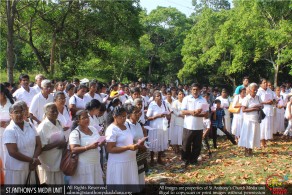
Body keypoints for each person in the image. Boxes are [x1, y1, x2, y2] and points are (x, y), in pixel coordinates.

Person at [3, 101, 42, 184]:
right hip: (16, 170)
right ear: (10, 115)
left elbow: (39, 144)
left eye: (21, 111)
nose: (19, 114)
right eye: (16, 112)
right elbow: (13, 152)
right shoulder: (10, 130)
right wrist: (32, 160)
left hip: (30, 167)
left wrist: (34, 160)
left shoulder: (30, 126)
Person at [105, 106, 139, 188]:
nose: (124, 118)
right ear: (115, 116)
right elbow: (110, 149)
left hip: (130, 160)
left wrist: (137, 143)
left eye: (125, 116)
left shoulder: (126, 125)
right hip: (119, 163)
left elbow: (128, 140)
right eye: (122, 116)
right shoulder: (112, 129)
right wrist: (128, 147)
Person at [69, 110, 104, 184]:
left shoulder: (93, 129)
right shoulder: (75, 133)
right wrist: (88, 147)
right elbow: (73, 149)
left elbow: (97, 142)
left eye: (87, 117)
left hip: (96, 163)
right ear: (78, 121)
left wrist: (101, 142)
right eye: (84, 118)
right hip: (84, 165)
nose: (87, 119)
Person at [37, 103, 67, 184]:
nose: (55, 113)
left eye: (56, 111)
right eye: (52, 111)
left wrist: (64, 143)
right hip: (48, 162)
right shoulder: (42, 127)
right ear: (46, 113)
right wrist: (57, 143)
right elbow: (41, 147)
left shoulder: (58, 123)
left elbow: (63, 137)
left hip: (59, 159)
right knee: (50, 185)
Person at [181, 83, 207, 167]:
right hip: (188, 125)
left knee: (197, 145)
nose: (195, 91)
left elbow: (206, 114)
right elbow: (183, 111)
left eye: (197, 89)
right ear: (191, 90)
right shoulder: (186, 99)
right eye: (193, 89)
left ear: (199, 90)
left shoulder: (203, 100)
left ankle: (193, 160)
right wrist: (192, 112)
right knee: (186, 144)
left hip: (199, 126)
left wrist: (198, 114)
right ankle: (185, 160)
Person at [124, 104, 147, 185]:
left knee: (139, 172)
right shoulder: (126, 125)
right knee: (132, 173)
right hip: (131, 153)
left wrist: (143, 143)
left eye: (138, 112)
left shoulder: (138, 124)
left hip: (139, 152)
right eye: (135, 112)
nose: (138, 114)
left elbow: (141, 136)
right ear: (129, 114)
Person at [146, 91, 171, 166]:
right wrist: (157, 116)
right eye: (157, 96)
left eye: (160, 96)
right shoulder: (152, 104)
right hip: (154, 127)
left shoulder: (164, 103)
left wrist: (167, 115)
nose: (159, 97)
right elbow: (148, 117)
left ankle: (159, 159)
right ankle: (152, 159)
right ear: (154, 97)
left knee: (161, 141)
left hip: (162, 126)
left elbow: (168, 113)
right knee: (154, 141)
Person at [238, 83, 262, 156]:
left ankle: (251, 150)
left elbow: (262, 106)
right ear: (250, 90)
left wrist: (260, 107)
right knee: (247, 135)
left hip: (256, 119)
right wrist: (254, 108)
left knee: (254, 135)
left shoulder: (258, 97)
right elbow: (243, 110)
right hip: (248, 120)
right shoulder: (246, 98)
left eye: (256, 90)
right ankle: (246, 151)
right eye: (254, 90)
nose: (255, 91)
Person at [0, 83, 14, 184]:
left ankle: (9, 179)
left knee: (9, 155)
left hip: (10, 133)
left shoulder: (11, 102)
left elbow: (17, 115)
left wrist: (9, 122)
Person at [257, 78, 275, 147]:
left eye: (266, 82)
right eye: (264, 83)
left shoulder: (269, 90)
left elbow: (274, 98)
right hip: (263, 110)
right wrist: (266, 102)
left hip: (270, 109)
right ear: (260, 84)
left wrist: (272, 101)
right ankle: (262, 141)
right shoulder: (259, 91)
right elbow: (258, 101)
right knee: (263, 126)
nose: (265, 84)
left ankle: (265, 141)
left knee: (268, 126)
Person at [171, 89, 185, 153]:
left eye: (182, 94)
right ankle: (177, 149)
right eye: (180, 94)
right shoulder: (175, 102)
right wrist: (181, 115)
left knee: (183, 135)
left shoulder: (185, 102)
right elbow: (174, 111)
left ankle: (183, 149)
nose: (181, 95)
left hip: (185, 121)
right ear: (177, 95)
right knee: (177, 135)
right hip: (177, 120)